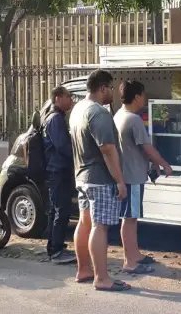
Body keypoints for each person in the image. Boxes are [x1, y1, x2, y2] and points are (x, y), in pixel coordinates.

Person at [69, 69, 131, 292]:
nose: (113, 92)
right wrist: (120, 180)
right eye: (111, 88)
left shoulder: (78, 109)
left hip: (82, 176)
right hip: (99, 178)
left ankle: (84, 269)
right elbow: (107, 149)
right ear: (102, 88)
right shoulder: (98, 113)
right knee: (99, 226)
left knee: (85, 222)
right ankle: (102, 278)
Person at [114, 80, 173, 274]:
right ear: (137, 97)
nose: (145, 99)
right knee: (129, 219)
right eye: (144, 95)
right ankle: (130, 262)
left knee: (131, 218)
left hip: (129, 174)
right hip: (132, 177)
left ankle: (135, 254)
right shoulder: (134, 119)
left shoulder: (119, 115)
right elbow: (147, 148)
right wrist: (164, 164)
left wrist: (153, 165)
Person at [42, 86, 76, 264]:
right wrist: (78, 157)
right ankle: (55, 251)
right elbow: (62, 146)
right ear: (57, 98)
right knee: (60, 211)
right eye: (68, 97)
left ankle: (54, 245)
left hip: (57, 170)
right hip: (57, 170)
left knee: (56, 209)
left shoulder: (56, 117)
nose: (71, 100)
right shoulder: (55, 119)